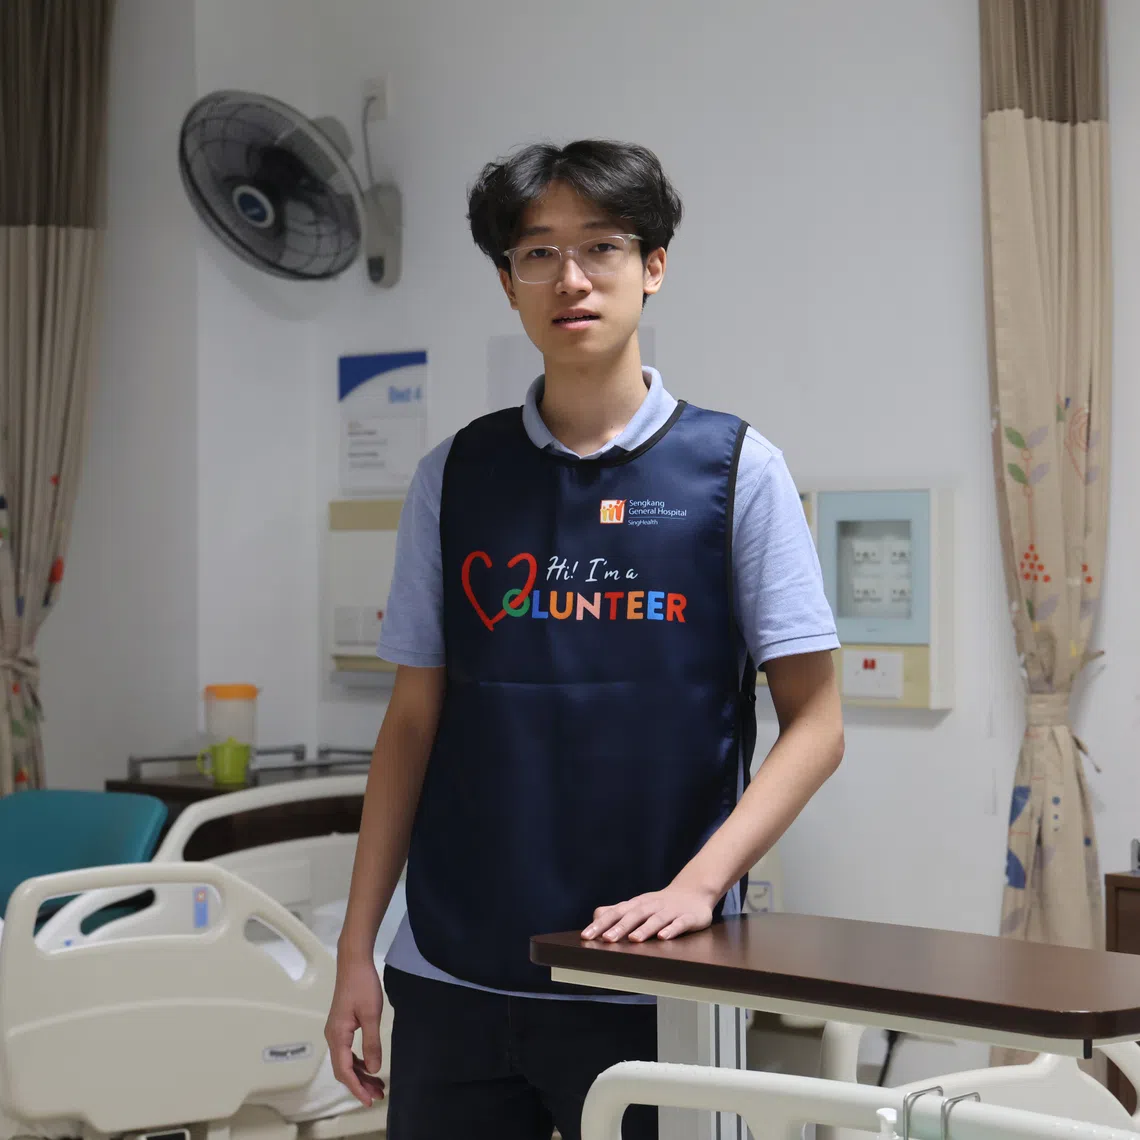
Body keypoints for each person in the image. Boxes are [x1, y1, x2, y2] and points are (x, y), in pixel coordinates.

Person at [324, 138, 845, 1140]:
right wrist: (357, 948)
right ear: (508, 283)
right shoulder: (455, 476)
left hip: (655, 975)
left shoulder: (736, 470)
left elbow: (816, 724)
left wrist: (698, 889)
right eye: (537, 254)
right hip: (454, 969)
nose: (571, 278)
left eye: (602, 247)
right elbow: (410, 727)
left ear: (653, 265)